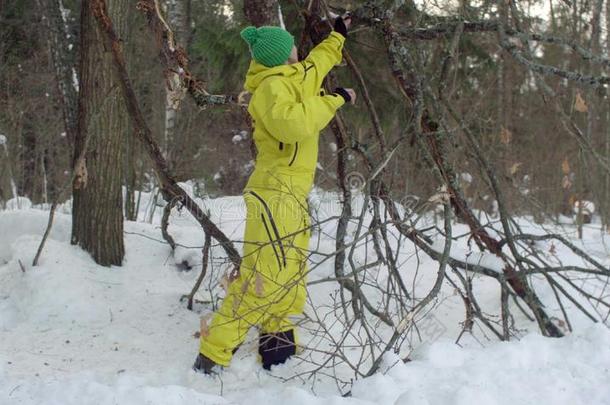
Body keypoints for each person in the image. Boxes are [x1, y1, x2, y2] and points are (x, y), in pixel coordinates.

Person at [193, 15, 356, 374]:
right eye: (293, 48)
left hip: (293, 195)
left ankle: (276, 349)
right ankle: (212, 357)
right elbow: (294, 125)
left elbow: (318, 63)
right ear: (284, 56)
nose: (300, 50)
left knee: (291, 272)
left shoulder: (293, 76)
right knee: (260, 278)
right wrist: (334, 101)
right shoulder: (270, 89)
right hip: (274, 194)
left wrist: (338, 36)